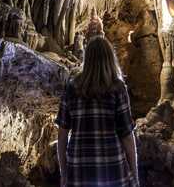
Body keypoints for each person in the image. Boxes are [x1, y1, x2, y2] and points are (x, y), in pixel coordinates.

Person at [55, 15, 139, 187]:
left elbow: (62, 135)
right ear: (110, 59)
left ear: (87, 59)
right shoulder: (117, 88)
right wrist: (134, 174)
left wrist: (64, 174)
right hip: (112, 168)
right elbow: (127, 136)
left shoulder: (72, 88)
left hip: (79, 168)